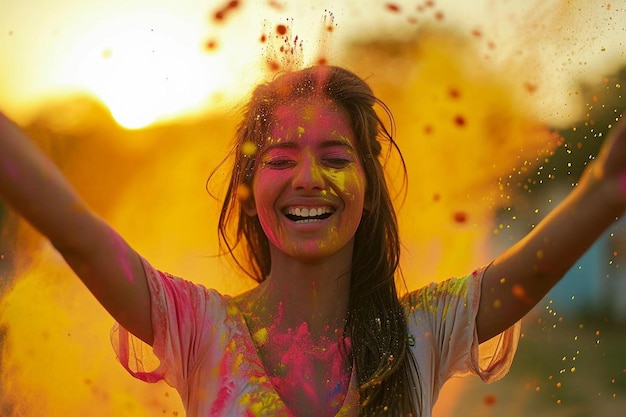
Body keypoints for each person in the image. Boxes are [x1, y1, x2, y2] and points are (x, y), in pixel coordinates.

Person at [0, 65, 624, 417]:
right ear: (248, 188)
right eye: (278, 158)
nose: (307, 178)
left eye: (334, 155)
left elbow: (554, 247)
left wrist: (606, 186)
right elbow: (76, 234)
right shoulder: (197, 327)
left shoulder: (422, 334)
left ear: (369, 188)